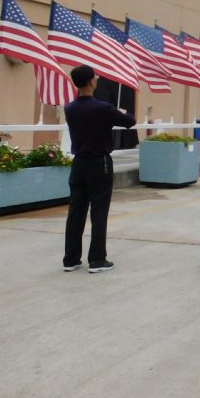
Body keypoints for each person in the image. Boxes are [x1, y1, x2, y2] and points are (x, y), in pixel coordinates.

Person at [63, 64, 136, 273]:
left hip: (78, 163)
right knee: (99, 211)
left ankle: (71, 258)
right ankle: (97, 259)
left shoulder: (70, 108)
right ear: (91, 82)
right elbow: (129, 121)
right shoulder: (102, 108)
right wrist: (120, 111)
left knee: (76, 211)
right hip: (99, 162)